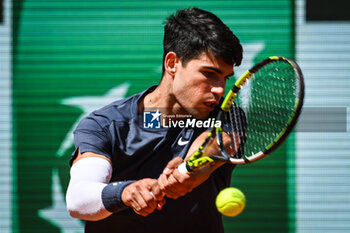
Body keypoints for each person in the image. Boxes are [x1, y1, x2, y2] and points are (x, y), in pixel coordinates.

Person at [66, 7, 243, 233]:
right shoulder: (106, 124)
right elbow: (78, 199)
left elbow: (215, 145)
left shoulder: (226, 115)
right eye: (209, 74)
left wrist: (187, 169)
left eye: (225, 78)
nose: (220, 89)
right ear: (172, 64)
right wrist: (125, 192)